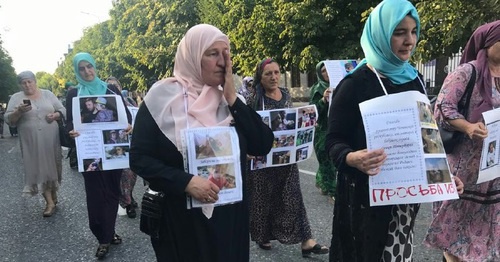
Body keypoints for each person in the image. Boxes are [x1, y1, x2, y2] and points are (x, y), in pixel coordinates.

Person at [325, 1, 464, 260]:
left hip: (403, 201)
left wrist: (443, 179)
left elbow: (426, 138)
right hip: (365, 201)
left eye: (413, 31)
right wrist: (351, 157)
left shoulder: (414, 78)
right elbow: (333, 140)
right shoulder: (354, 84)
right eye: (399, 32)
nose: (409, 40)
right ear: (381, 33)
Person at [129, 24, 274, 262]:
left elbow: (262, 144)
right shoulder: (160, 98)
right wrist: (186, 182)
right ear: (193, 56)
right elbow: (139, 158)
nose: (223, 62)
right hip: (181, 220)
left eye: (226, 53)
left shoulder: (228, 101)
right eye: (212, 54)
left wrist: (231, 98)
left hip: (230, 217)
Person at [423, 20, 500, 262]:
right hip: (462, 167)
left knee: (485, 224)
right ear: (488, 44)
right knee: (454, 225)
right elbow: (443, 107)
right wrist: (467, 126)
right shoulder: (468, 72)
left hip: (492, 168)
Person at [246, 58, 329, 257]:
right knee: (262, 198)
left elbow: (294, 120)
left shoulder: (285, 93)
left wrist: (308, 124)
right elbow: (245, 125)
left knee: (293, 197)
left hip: (286, 158)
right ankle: (262, 234)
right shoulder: (254, 97)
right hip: (262, 160)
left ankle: (307, 241)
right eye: (268, 74)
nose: (274, 77)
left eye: (276, 72)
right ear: (260, 76)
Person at [66, 52, 132, 259]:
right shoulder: (74, 94)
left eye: (89, 66)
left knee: (112, 193)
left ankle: (107, 236)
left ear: (95, 66)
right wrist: (71, 131)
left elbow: (126, 115)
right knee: (96, 197)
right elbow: (69, 122)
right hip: (90, 152)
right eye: (82, 68)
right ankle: (101, 233)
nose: (87, 71)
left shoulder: (110, 89)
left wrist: (128, 126)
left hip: (113, 152)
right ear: (77, 71)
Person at [4, 71, 65, 217]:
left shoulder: (47, 94)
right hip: (30, 140)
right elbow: (8, 119)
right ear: (20, 85)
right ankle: (49, 202)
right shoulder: (16, 98)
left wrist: (55, 115)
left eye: (29, 81)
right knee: (38, 168)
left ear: (35, 81)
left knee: (53, 167)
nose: (27, 85)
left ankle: (53, 194)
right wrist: (18, 111)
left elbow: (63, 109)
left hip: (51, 138)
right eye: (23, 83)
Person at [105, 76, 139, 218]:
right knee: (125, 173)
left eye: (116, 86)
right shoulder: (106, 108)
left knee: (132, 174)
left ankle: (128, 196)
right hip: (116, 145)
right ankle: (128, 203)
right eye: (110, 87)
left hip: (134, 143)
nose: (114, 89)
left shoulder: (129, 102)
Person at [309, 60, 337, 198]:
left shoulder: (340, 85)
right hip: (322, 132)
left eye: (328, 70)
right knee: (326, 160)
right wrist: (323, 100)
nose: (326, 73)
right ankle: (332, 189)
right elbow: (312, 112)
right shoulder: (317, 89)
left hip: (337, 128)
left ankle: (323, 182)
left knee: (335, 161)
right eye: (323, 71)